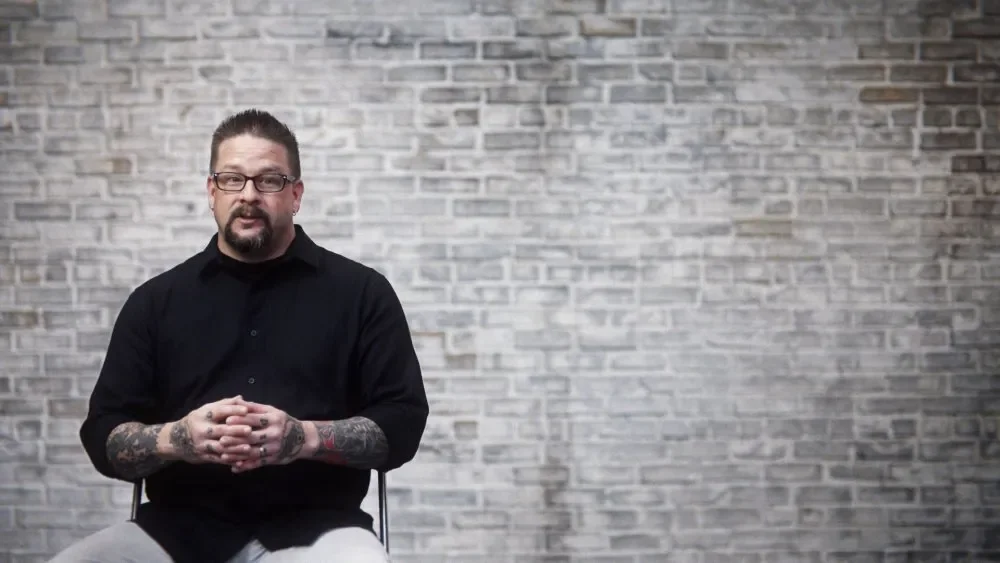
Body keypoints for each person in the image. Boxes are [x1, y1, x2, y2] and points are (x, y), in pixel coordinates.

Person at [50, 109, 429, 563]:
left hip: (321, 529)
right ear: (212, 191)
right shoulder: (154, 302)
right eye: (232, 179)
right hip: (176, 531)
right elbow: (103, 435)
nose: (248, 195)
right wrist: (178, 438)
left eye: (269, 180)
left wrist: (302, 437)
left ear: (295, 195)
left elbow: (402, 425)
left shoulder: (362, 294)